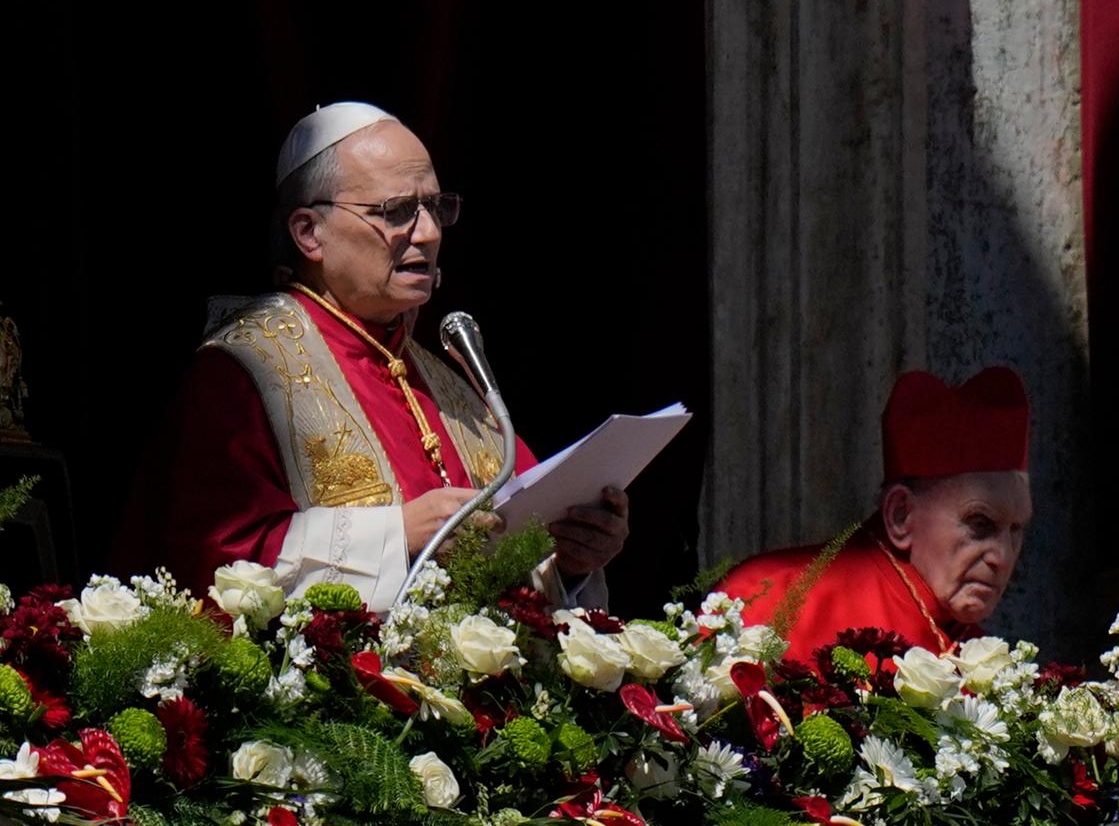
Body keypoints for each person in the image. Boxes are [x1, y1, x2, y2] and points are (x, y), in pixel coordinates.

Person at [153, 102, 628, 610]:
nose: (428, 233)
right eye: (396, 211)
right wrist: (396, 535)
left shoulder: (444, 381)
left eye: (435, 207)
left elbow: (509, 550)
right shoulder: (242, 372)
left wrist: (570, 560)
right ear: (309, 233)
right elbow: (216, 560)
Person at [715, 367, 1032, 661]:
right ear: (900, 515)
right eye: (980, 524)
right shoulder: (768, 598)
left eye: (1016, 529)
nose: (1002, 558)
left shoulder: (988, 667)